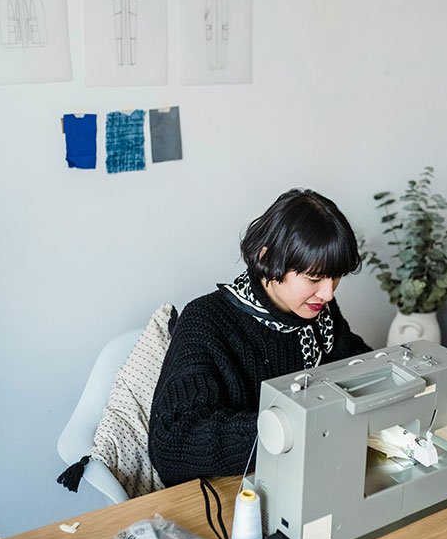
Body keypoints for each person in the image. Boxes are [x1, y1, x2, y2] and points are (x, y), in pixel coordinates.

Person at [148, 188, 371, 487]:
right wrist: (290, 429)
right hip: (235, 492)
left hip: (307, 476)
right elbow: (174, 443)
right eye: (315, 279)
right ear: (268, 257)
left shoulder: (319, 315)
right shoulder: (206, 321)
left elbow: (356, 365)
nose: (328, 293)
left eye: (336, 277)